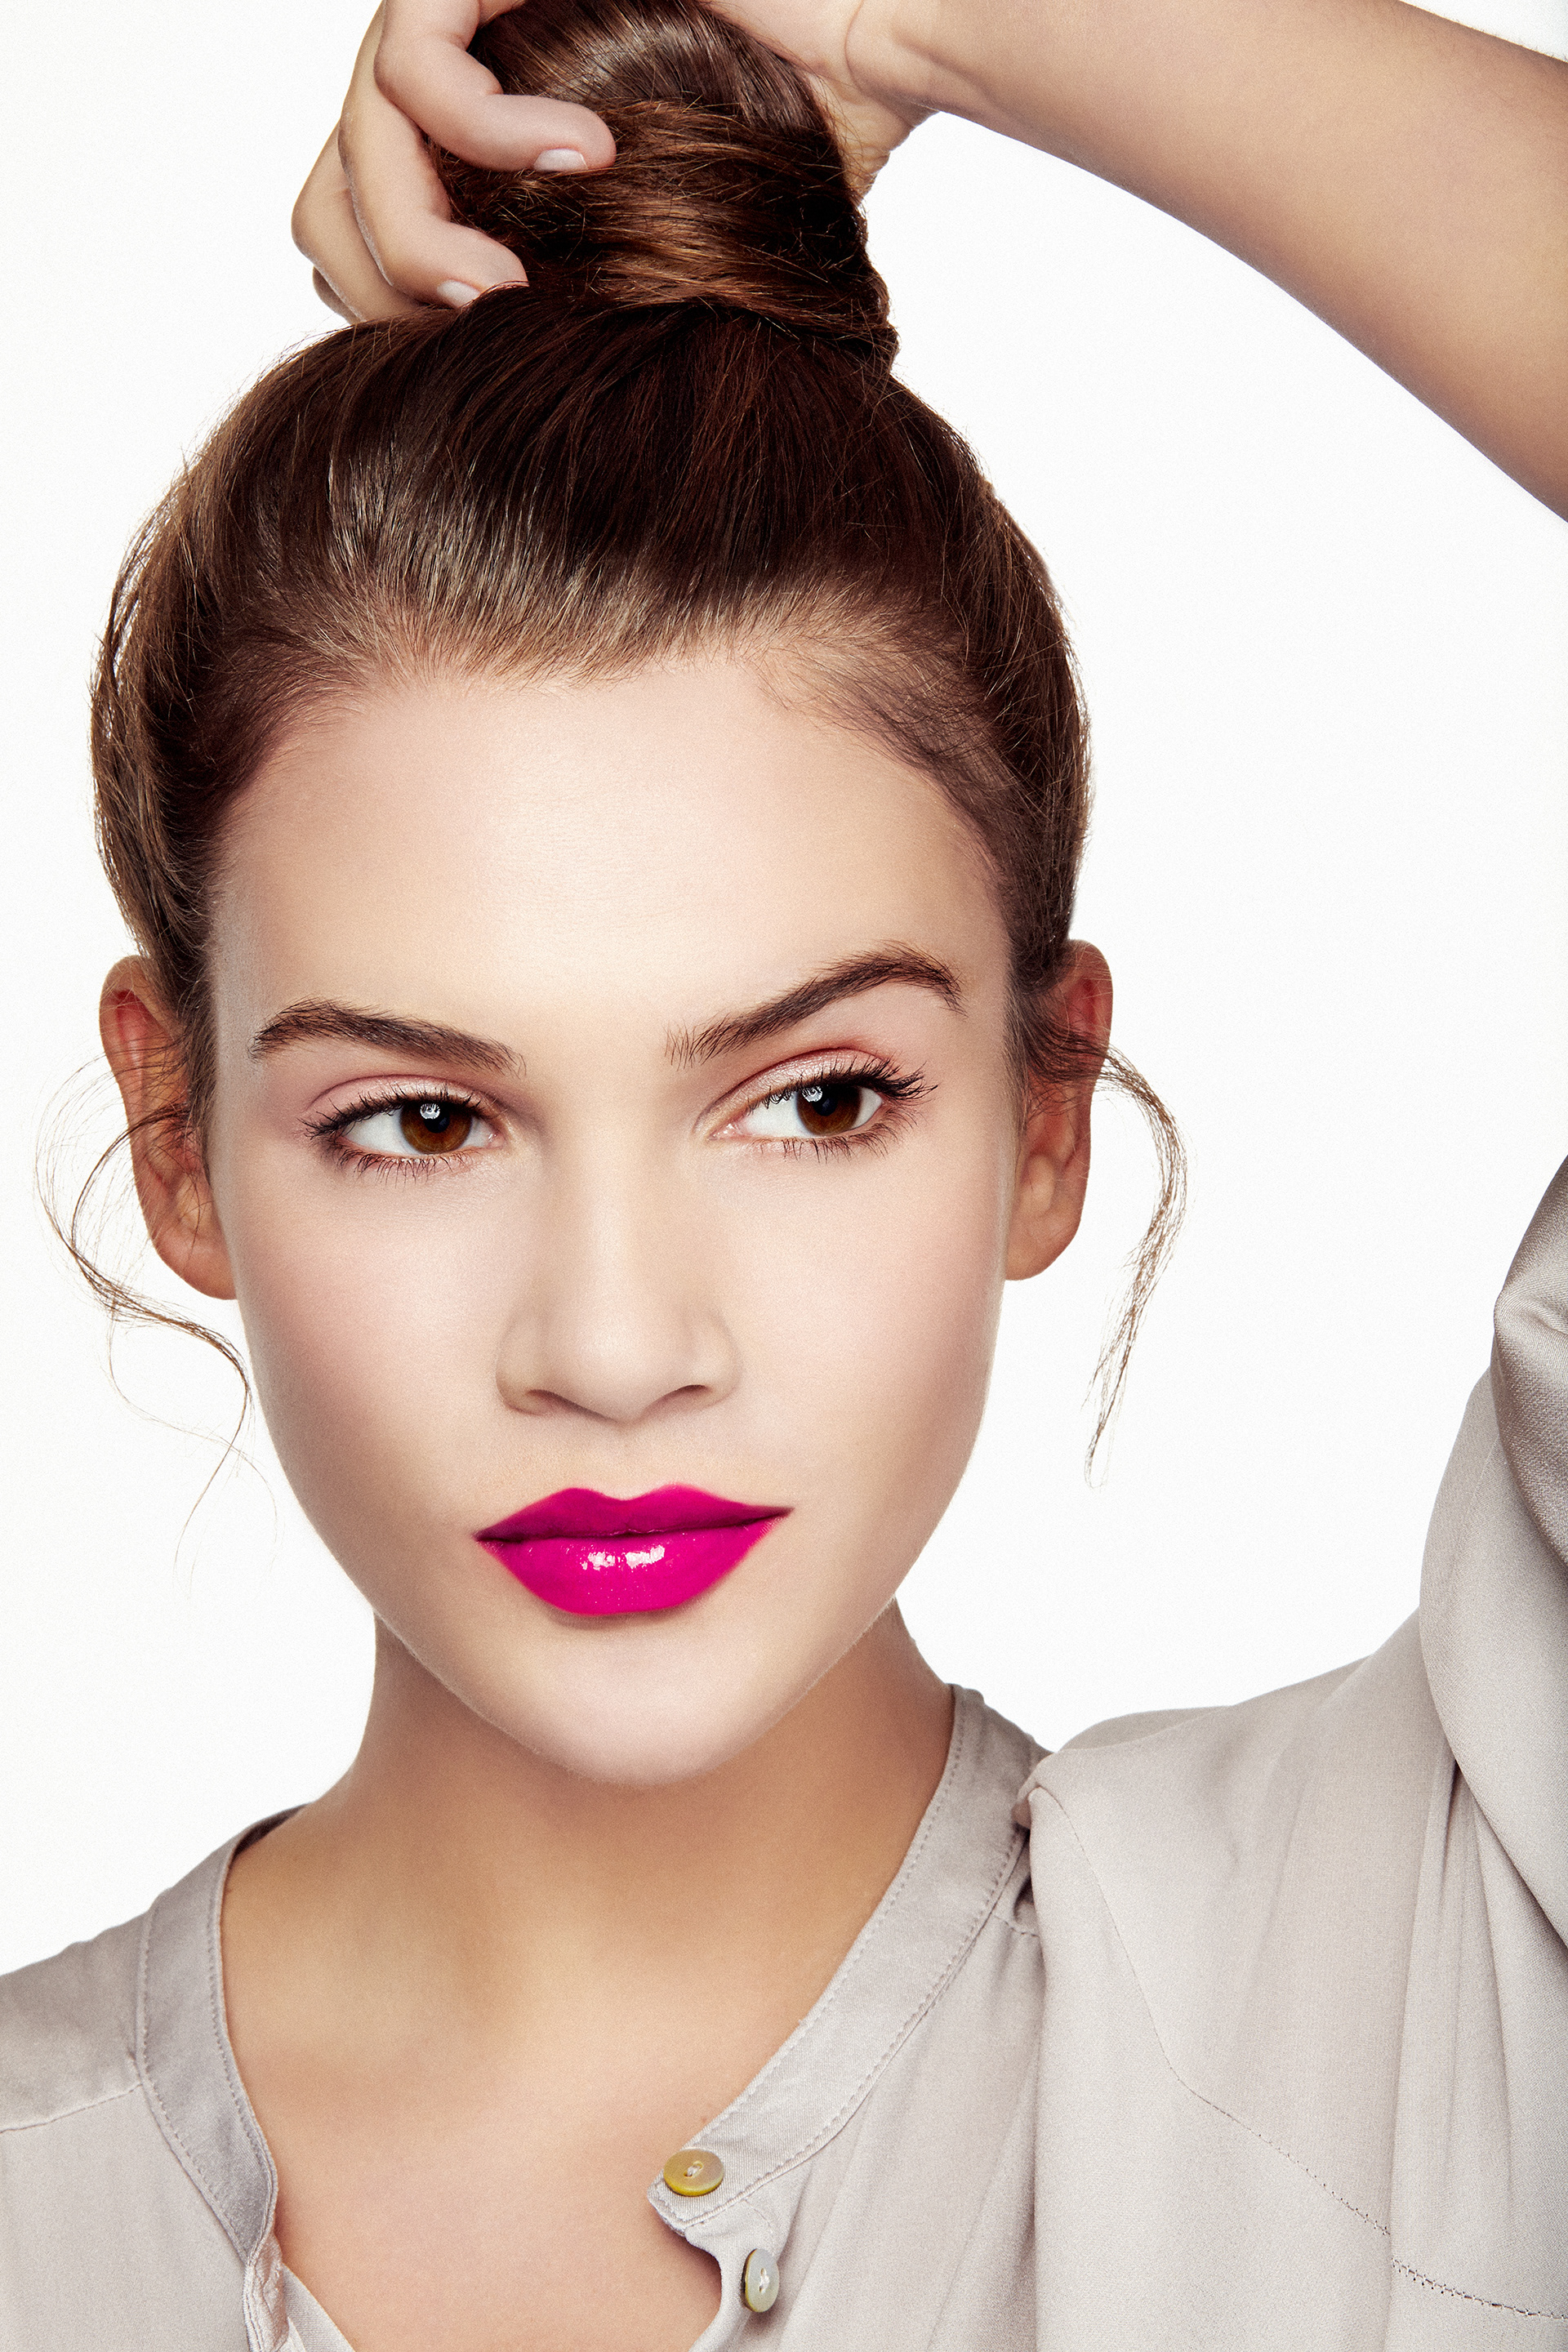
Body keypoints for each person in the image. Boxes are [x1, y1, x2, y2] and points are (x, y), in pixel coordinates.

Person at [1, 1, 1563, 2346]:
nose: (618, 1346)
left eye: (817, 1099)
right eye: (421, 1119)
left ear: (1046, 1106)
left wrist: (929, 15)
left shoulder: (1428, 2008)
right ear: (177, 1141)